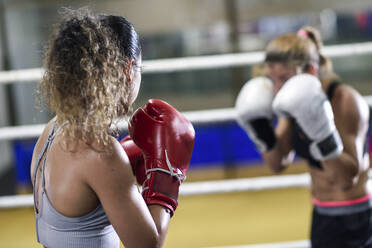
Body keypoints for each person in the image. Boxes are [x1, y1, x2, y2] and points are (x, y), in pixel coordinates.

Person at [31, 8, 195, 248]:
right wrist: (166, 174)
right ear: (129, 70)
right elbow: (148, 244)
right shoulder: (99, 152)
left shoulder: (53, 128)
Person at [235, 26, 371, 248]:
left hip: (358, 216)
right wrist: (261, 130)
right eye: (272, 79)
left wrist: (322, 134)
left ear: (310, 70)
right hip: (322, 214)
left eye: (284, 78)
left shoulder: (345, 101)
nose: (277, 89)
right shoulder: (292, 103)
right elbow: (277, 163)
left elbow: (347, 179)